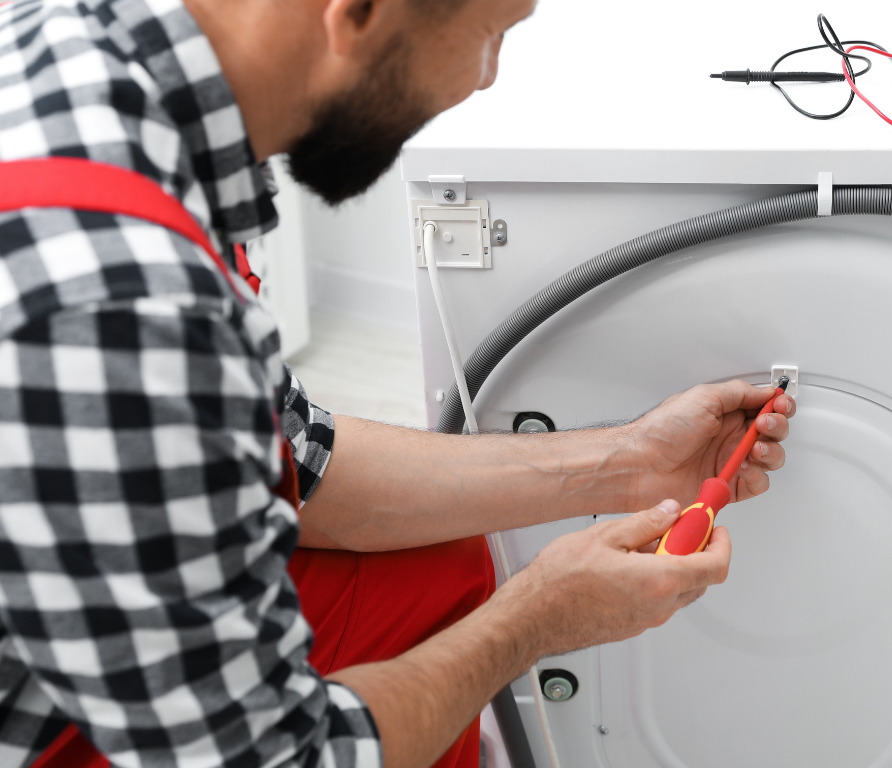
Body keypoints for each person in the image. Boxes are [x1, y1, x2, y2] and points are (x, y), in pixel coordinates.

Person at [0, 0, 796, 765]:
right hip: (35, 725)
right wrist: (533, 620)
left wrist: (631, 463)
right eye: (492, 34)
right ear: (356, 12)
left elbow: (299, 457)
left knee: (435, 569)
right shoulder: (124, 313)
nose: (484, 78)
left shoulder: (81, 52)